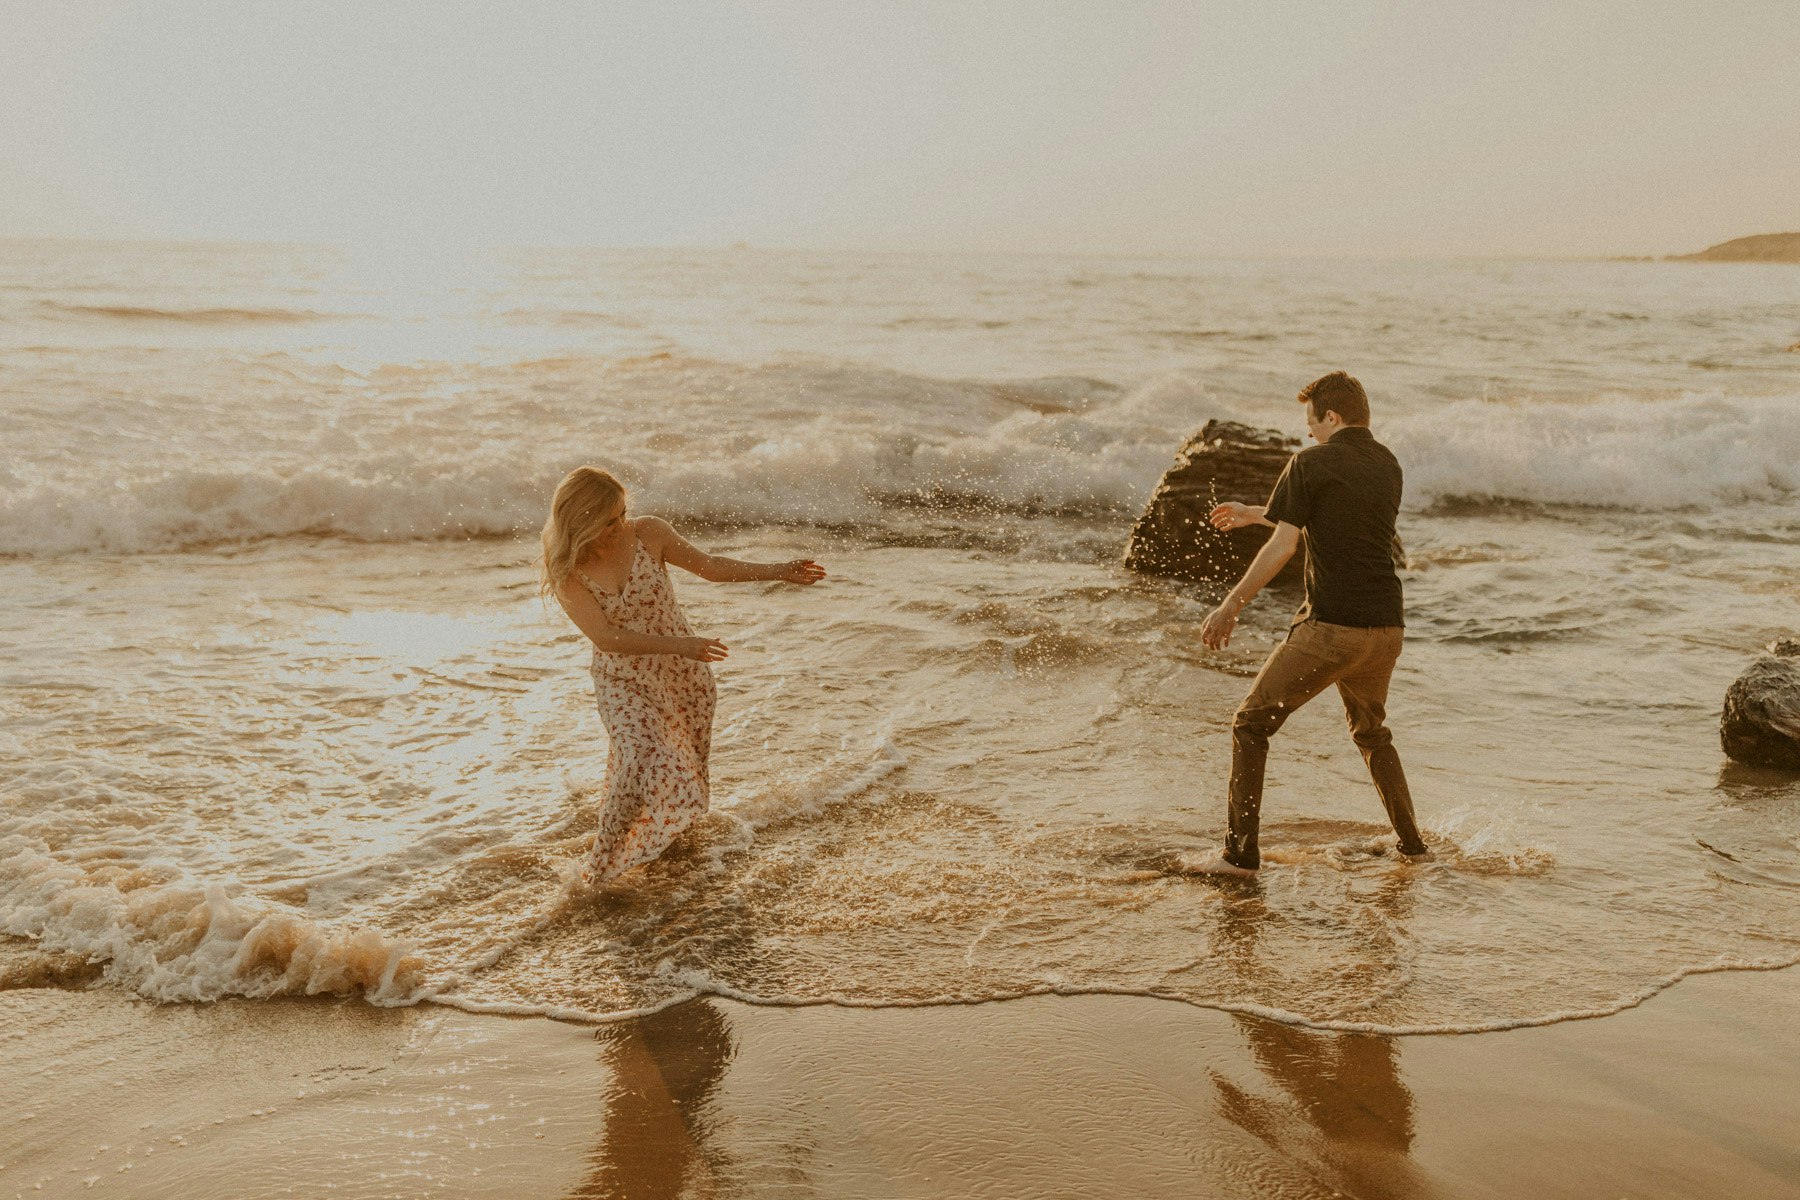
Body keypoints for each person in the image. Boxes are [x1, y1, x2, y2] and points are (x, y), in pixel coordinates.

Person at [1192, 372, 1429, 876]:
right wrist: (1255, 512)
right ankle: (1413, 846)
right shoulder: (1387, 463)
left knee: (1250, 724)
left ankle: (1239, 855)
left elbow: (1285, 544)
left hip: (1332, 627)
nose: (1308, 432)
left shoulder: (1310, 462)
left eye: (1312, 422)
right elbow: (1332, 512)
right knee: (1372, 733)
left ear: (1332, 417)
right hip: (1387, 628)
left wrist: (1230, 605)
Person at [540, 466, 825, 884]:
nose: (620, 525)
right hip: (623, 681)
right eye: (609, 521)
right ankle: (600, 868)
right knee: (636, 759)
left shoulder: (648, 534)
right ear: (581, 521)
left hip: (683, 680)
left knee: (684, 773)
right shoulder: (568, 572)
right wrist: (682, 645)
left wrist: (779, 570)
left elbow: (711, 567)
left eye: (622, 514)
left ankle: (668, 854)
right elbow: (606, 638)